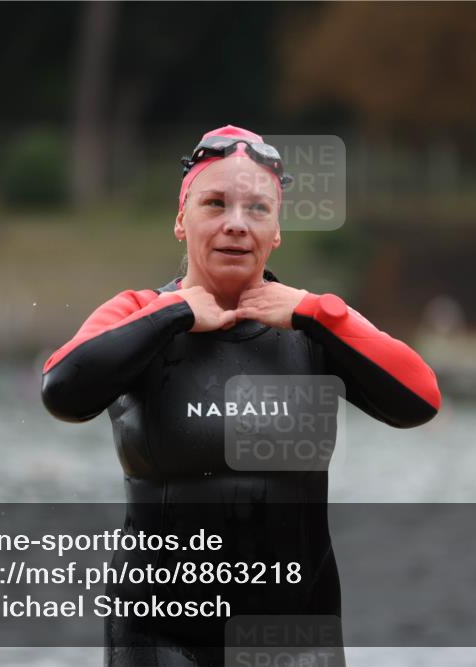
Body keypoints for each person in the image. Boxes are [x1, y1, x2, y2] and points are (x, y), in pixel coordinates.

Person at [41, 125, 441, 665]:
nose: (236, 224)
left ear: (276, 231)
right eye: (215, 203)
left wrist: (315, 313)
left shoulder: (314, 325)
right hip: (161, 639)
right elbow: (62, 389)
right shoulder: (139, 314)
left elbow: (420, 399)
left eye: (257, 208)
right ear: (181, 220)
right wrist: (177, 312)